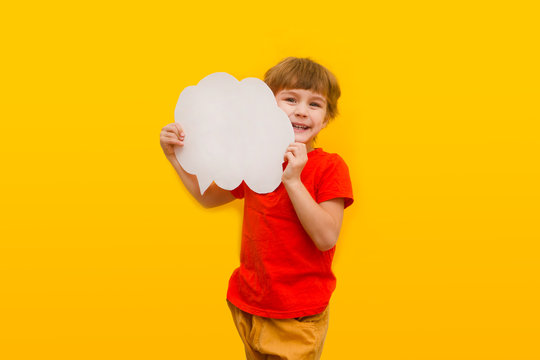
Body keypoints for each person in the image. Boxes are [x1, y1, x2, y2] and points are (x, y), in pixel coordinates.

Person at [160, 57, 353, 360]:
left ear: (326, 119)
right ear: (265, 108)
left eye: (315, 105)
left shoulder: (330, 167)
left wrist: (292, 180)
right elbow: (207, 198)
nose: (302, 110)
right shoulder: (251, 158)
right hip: (248, 304)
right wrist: (176, 156)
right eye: (290, 99)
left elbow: (326, 237)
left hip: (296, 315)